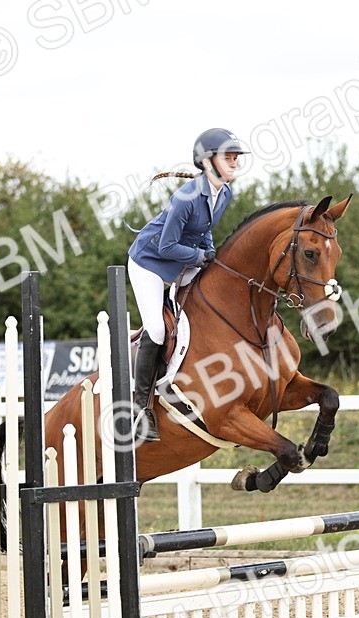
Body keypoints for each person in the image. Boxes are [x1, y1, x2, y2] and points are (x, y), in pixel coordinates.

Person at [126, 128, 249, 444]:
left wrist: (213, 256)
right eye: (228, 157)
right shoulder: (185, 197)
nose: (234, 162)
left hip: (183, 263)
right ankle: (142, 409)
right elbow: (166, 247)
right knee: (155, 330)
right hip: (150, 264)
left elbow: (205, 231)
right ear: (208, 162)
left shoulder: (225, 194)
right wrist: (200, 255)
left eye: (236, 157)